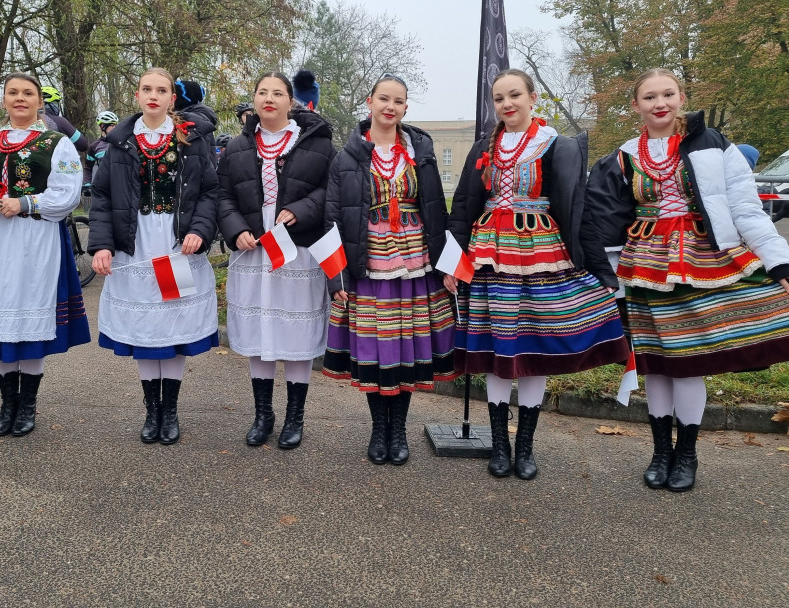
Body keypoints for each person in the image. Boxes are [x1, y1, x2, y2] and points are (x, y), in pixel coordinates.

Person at [587, 68, 789, 492]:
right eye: (649, 97)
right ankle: (661, 452)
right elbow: (605, 219)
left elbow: (746, 209)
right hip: (643, 266)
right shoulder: (623, 155)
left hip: (702, 259)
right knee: (656, 364)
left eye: (667, 94)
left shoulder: (715, 145)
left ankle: (688, 453)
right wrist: (604, 276)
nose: (659, 103)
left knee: (688, 363)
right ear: (636, 105)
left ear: (681, 97)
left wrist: (779, 263)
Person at [447, 69, 628, 480]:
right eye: (499, 98)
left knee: (534, 348)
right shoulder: (484, 146)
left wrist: (600, 269)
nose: (507, 104)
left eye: (514, 95)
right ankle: (499, 446)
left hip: (542, 254)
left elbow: (577, 209)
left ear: (532, 98)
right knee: (495, 352)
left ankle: (525, 447)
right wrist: (453, 263)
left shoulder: (556, 146)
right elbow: (463, 207)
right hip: (490, 256)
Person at [322, 74, 455, 466]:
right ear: (370, 101)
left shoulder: (422, 152)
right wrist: (336, 276)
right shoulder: (346, 156)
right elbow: (332, 217)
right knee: (376, 348)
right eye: (384, 98)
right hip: (369, 261)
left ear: (405, 108)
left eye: (398, 101)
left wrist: (446, 263)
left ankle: (399, 430)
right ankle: (378, 429)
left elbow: (437, 210)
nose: (390, 106)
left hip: (416, 262)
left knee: (406, 347)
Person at [0, 73, 91, 437]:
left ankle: (27, 405)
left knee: (29, 318)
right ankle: (6, 403)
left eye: (28, 93)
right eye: (13, 93)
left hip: (35, 239)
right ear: (3, 100)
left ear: (39, 102)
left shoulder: (55, 142)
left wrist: (26, 202)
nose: (20, 99)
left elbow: (68, 192)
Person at [89, 67, 219, 445]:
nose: (154, 95)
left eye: (161, 90)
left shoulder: (191, 141)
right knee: (146, 330)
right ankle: (152, 410)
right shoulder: (120, 143)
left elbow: (210, 191)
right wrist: (101, 245)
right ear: (137, 94)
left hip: (177, 244)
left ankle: (172, 409)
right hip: (136, 245)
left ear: (171, 99)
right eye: (147, 88)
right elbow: (102, 198)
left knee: (173, 326)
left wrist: (199, 230)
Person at [218, 72, 336, 449]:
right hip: (253, 251)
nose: (269, 98)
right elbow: (223, 197)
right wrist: (236, 229)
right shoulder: (236, 148)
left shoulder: (316, 145)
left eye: (278, 93)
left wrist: (299, 210)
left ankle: (294, 418)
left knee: (294, 332)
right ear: (254, 100)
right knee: (260, 333)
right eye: (262, 92)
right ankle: (263, 414)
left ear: (290, 102)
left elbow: (328, 191)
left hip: (297, 252)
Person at [40, 86, 89, 155]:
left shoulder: (25, 121)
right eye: (56, 103)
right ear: (52, 104)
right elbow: (82, 144)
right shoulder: (58, 121)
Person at [84, 110, 119, 187]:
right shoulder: (94, 146)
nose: (115, 128)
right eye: (112, 125)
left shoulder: (121, 143)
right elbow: (88, 168)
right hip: (103, 187)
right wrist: (87, 183)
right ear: (103, 126)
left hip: (120, 186)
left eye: (116, 125)